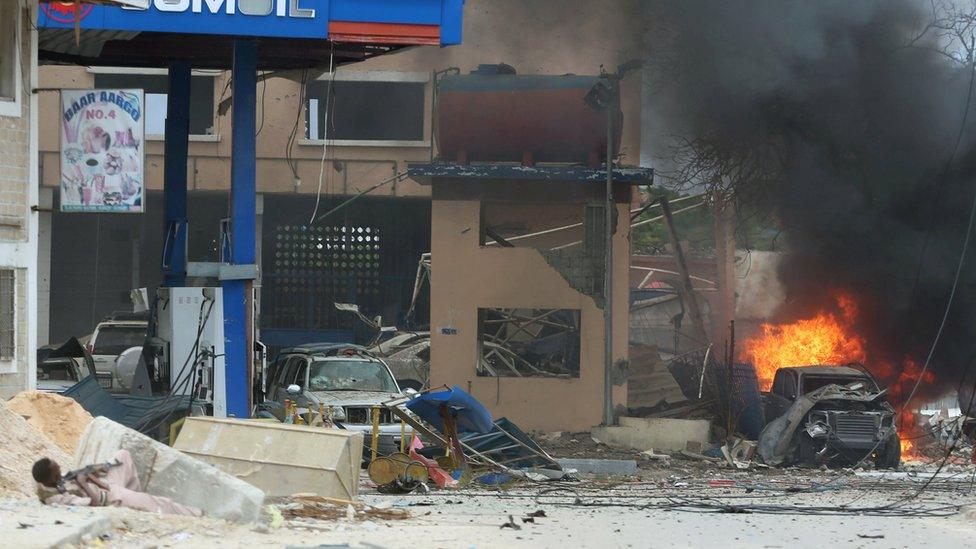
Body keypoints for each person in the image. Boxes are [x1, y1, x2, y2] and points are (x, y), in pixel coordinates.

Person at [32, 450, 201, 517]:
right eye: (57, 470)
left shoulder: (51, 481)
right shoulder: (57, 499)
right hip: (109, 498)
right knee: (160, 503)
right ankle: (197, 513)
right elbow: (96, 505)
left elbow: (72, 476)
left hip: (106, 485)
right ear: (50, 478)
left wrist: (93, 472)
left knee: (123, 455)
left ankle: (135, 503)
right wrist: (83, 483)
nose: (60, 469)